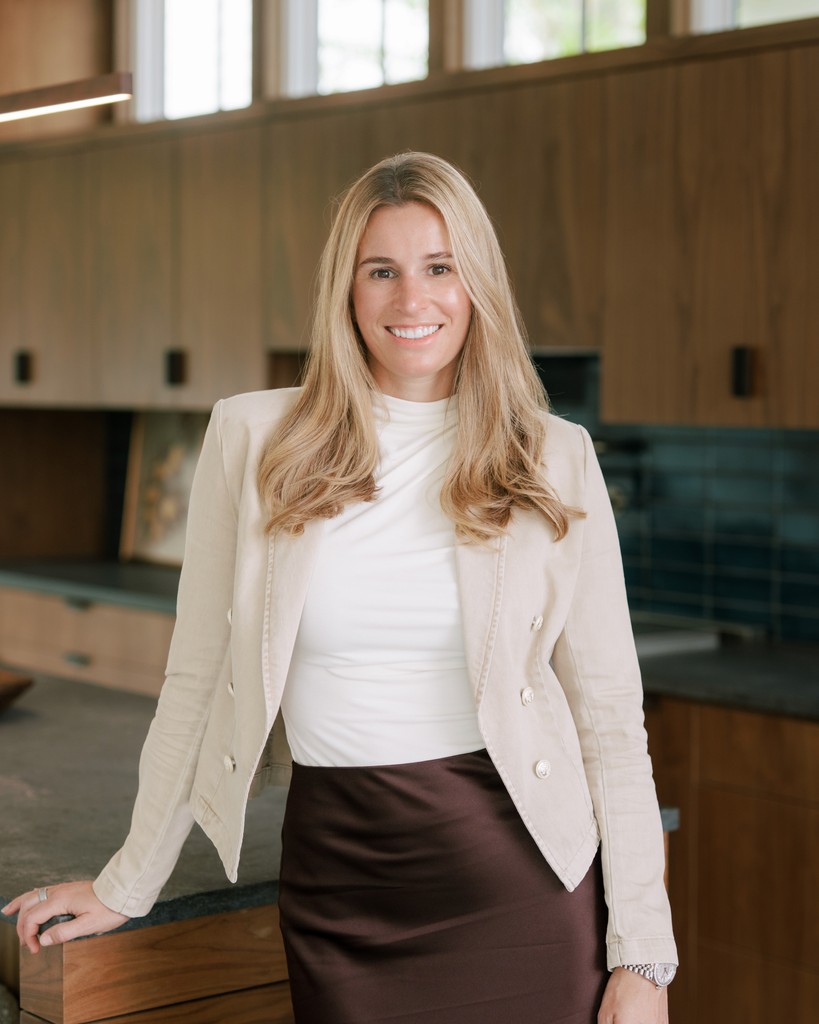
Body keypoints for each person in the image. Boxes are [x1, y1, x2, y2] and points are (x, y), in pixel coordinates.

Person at [4, 151, 676, 1023]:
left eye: (439, 268)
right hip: (339, 880)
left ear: (476, 284)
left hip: (517, 878)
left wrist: (641, 960)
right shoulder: (253, 440)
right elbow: (198, 681)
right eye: (381, 272)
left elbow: (609, 719)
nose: (411, 300)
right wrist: (126, 882)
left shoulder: (551, 455)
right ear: (345, 290)